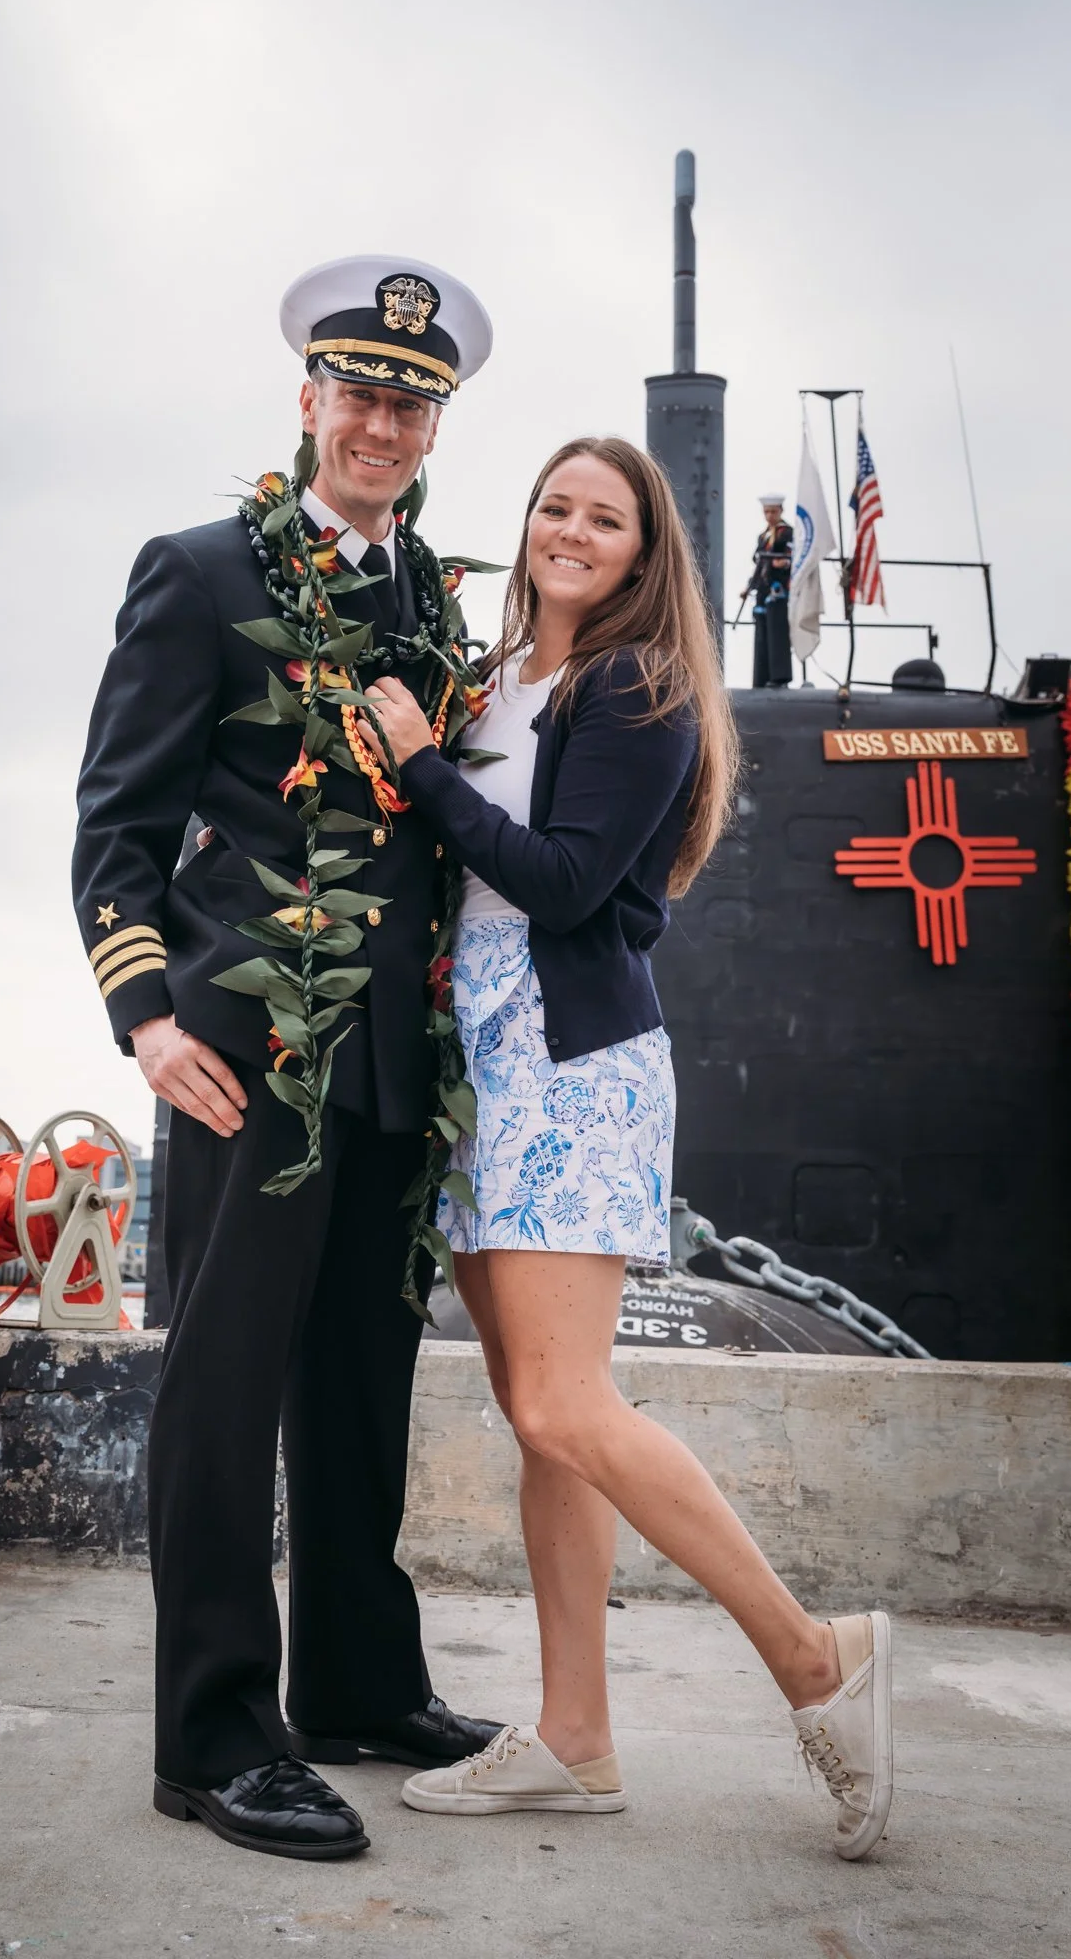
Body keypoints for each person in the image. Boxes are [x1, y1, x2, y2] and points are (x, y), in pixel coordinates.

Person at [358, 436, 894, 1859]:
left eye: (606, 518)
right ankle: (577, 1738)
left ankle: (813, 1655)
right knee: (546, 1424)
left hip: (568, 1059)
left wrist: (419, 765)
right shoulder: (500, 681)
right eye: (555, 507)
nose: (573, 532)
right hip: (482, 1057)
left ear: (646, 553)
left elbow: (562, 879)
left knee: (560, 1407)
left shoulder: (640, 688)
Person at [72, 256, 505, 1861]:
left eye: (413, 400)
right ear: (308, 401)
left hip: (395, 1057)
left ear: (435, 426)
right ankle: (212, 1734)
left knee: (358, 1381)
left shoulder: (432, 610)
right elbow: (114, 822)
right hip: (248, 1052)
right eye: (361, 391)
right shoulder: (196, 573)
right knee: (224, 1386)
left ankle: (355, 1680)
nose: (383, 421)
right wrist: (147, 1012)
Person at [748, 492, 794, 688]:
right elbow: (759, 564)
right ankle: (761, 676)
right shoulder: (763, 536)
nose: (769, 516)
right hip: (763, 589)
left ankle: (779, 676)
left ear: (780, 511)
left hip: (778, 588)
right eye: (766, 512)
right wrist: (749, 587)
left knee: (777, 631)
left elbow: (792, 555)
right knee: (762, 633)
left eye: (773, 512)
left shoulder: (786, 532)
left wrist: (782, 562)